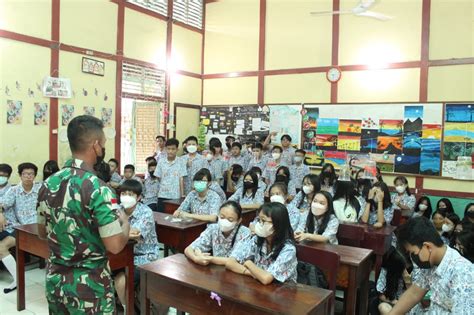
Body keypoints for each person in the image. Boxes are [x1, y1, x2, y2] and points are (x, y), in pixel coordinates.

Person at [36, 115, 130, 314]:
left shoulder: (48, 184)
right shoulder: (98, 189)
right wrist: (125, 222)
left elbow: (42, 232)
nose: (103, 149)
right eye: (103, 144)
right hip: (89, 290)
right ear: (96, 146)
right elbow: (114, 245)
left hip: (56, 283)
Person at [387, 217, 474, 315]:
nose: (413, 258)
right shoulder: (431, 264)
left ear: (427, 246)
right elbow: (414, 293)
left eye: (413, 252)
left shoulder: (463, 274)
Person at [114, 179, 159, 313]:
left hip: (144, 256)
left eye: (130, 194)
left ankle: (129, 310)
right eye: (123, 193)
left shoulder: (146, 212)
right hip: (122, 255)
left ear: (139, 197)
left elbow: (135, 234)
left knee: (120, 280)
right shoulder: (118, 209)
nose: (126, 197)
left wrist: (117, 231)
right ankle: (125, 307)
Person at [226, 202, 298, 284]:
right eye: (258, 220)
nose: (259, 224)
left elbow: (266, 279)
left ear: (278, 224)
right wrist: (250, 272)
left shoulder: (288, 249)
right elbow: (230, 262)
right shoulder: (255, 239)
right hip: (259, 285)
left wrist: (248, 263)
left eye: (263, 220)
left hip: (283, 290)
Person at [185, 201, 251, 266]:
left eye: (230, 220)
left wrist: (209, 258)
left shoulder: (245, 233)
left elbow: (234, 261)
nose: (225, 221)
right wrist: (196, 258)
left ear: (239, 221)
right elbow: (188, 249)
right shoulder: (213, 228)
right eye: (222, 217)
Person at [372, 247, 412, 315]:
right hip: (391, 302)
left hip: (406, 305)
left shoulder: (410, 273)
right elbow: (381, 295)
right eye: (403, 268)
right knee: (383, 307)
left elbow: (412, 294)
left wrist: (407, 280)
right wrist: (395, 302)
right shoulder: (386, 272)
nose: (405, 270)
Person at [154, 138, 187, 212]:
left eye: (173, 149)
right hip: (162, 194)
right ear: (166, 149)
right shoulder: (161, 161)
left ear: (177, 149)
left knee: (174, 219)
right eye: (168, 149)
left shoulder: (181, 161)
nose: (170, 151)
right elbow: (158, 177)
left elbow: (181, 179)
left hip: (175, 196)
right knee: (161, 218)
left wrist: (182, 195)